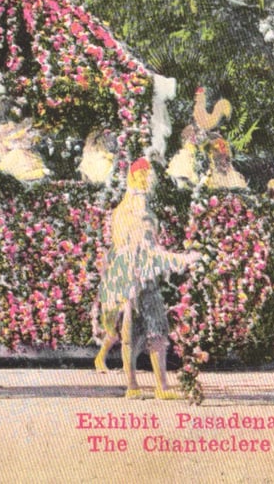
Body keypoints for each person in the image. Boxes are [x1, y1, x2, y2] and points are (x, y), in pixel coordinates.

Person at [93, 158, 201, 399]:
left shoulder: (138, 208)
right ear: (133, 177)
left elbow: (150, 249)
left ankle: (159, 387)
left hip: (141, 278)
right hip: (130, 279)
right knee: (132, 332)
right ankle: (134, 386)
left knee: (155, 332)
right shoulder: (129, 208)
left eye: (146, 175)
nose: (145, 179)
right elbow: (136, 249)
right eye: (140, 175)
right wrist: (181, 260)